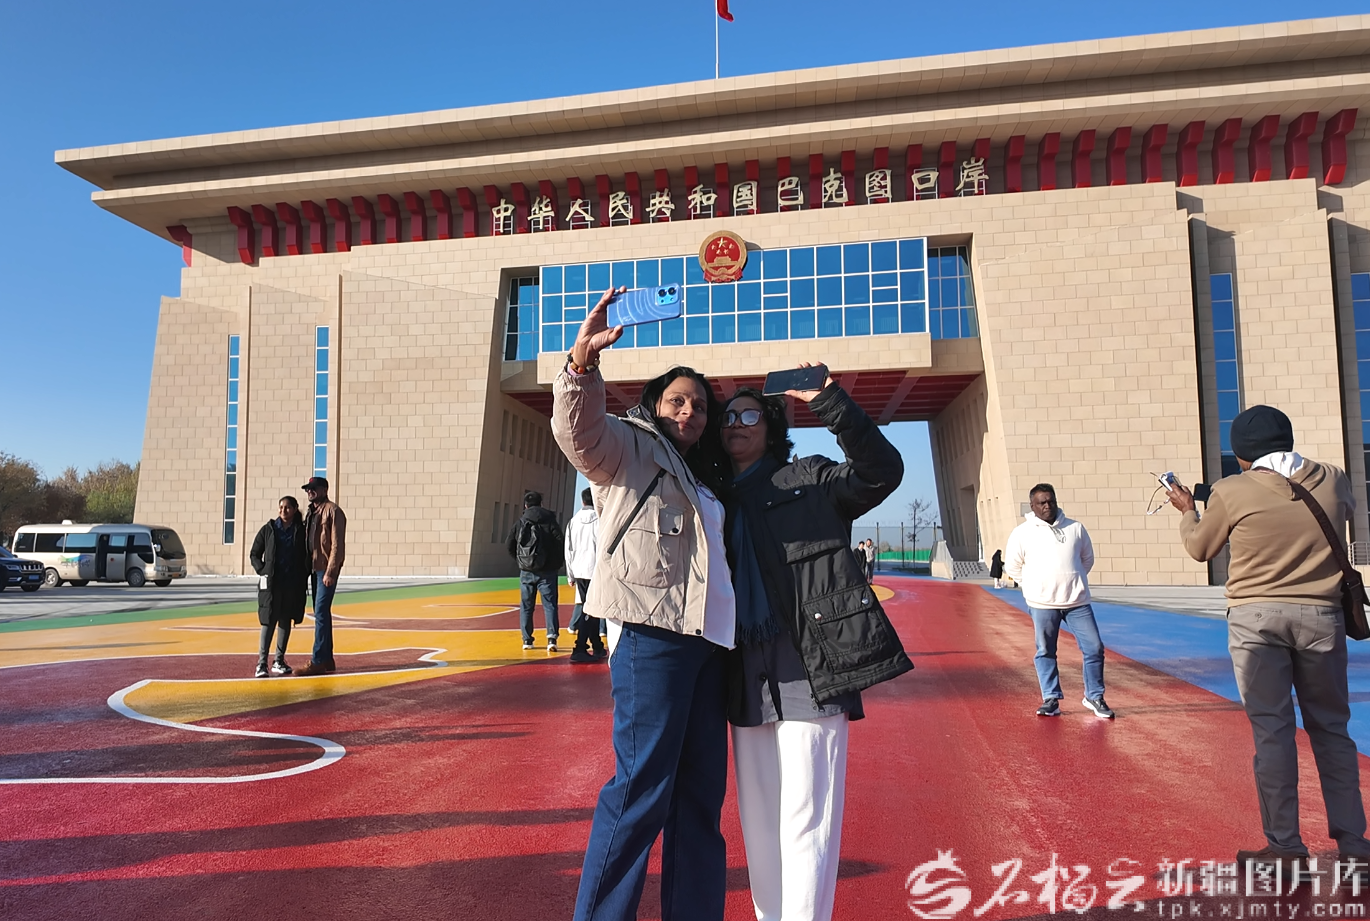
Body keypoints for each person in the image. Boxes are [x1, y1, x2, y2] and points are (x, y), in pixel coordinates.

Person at [552, 285, 736, 921]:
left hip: (711, 644)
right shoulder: (629, 447)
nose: (689, 412)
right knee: (639, 792)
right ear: (656, 404)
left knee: (699, 800)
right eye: (677, 400)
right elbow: (578, 434)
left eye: (700, 406)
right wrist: (582, 365)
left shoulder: (705, 475)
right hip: (653, 638)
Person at [721, 376, 913, 921]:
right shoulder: (711, 496)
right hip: (743, 672)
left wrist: (830, 401)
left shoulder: (808, 477)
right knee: (758, 821)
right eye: (728, 416)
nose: (737, 424)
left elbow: (881, 471)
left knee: (807, 817)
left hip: (811, 663)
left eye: (750, 415)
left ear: (771, 427)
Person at [1165, 405, 1370, 874]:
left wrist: (1189, 511)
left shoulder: (1231, 490)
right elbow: (1342, 510)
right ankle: (1354, 846)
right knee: (1332, 730)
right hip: (1322, 617)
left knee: (1274, 732)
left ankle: (1286, 847)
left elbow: (1200, 548)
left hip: (1256, 620)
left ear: (1241, 455)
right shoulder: (1333, 478)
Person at [1003, 484, 1112, 719]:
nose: (1047, 506)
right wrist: (1033, 586)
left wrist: (1072, 580)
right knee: (1046, 651)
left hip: (1077, 602)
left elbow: (1087, 559)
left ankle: (1094, 696)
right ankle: (1051, 698)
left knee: (1094, 647)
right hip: (1042, 603)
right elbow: (1012, 566)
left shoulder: (1075, 528)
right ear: (1032, 506)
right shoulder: (1022, 533)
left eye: (1050, 501)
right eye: (1041, 502)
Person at [248, 496, 310, 677]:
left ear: (295, 509)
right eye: (281, 507)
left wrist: (303, 573)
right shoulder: (269, 529)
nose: (283, 510)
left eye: (288, 507)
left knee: (285, 620)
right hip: (272, 584)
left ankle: (279, 661)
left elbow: (307, 555)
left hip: (291, 584)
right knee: (269, 621)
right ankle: (261, 664)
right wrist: (263, 570)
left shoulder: (300, 531)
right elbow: (254, 553)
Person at [297, 476, 346, 677]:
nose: (309, 491)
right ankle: (327, 659)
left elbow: (337, 545)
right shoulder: (311, 512)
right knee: (322, 613)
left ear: (324, 489)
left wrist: (331, 571)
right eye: (307, 489)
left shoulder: (333, 511)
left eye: (313, 488)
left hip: (324, 569)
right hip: (313, 568)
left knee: (320, 612)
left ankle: (317, 660)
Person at [506, 490, 565, 651]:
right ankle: (551, 638)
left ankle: (527, 640)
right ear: (541, 504)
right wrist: (555, 563)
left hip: (526, 570)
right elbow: (560, 542)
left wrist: (520, 560)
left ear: (526, 505)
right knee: (550, 605)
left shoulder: (520, 522)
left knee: (526, 606)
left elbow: (509, 544)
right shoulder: (550, 520)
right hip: (548, 571)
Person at [564, 486, 606, 663]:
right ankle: (580, 647)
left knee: (589, 607)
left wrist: (570, 574)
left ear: (582, 501)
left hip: (579, 569)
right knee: (591, 609)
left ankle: (596, 645)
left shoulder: (573, 521)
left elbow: (568, 549)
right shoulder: (601, 520)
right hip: (595, 570)